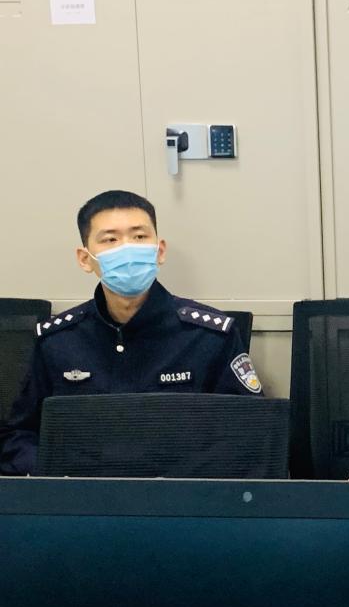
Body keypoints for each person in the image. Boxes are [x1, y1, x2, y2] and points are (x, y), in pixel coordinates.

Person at [0, 190, 263, 476]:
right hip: (84, 493)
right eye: (110, 240)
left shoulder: (210, 336)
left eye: (139, 237)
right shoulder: (58, 341)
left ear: (159, 251)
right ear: (85, 259)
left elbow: (251, 433)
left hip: (182, 494)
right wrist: (56, 475)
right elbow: (19, 434)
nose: (127, 249)